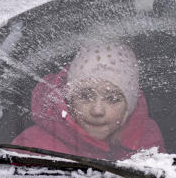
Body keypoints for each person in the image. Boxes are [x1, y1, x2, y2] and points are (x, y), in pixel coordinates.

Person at [12, 41, 164, 160]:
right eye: (85, 96)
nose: (97, 110)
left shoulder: (145, 143)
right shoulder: (32, 148)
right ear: (68, 99)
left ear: (129, 108)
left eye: (112, 99)